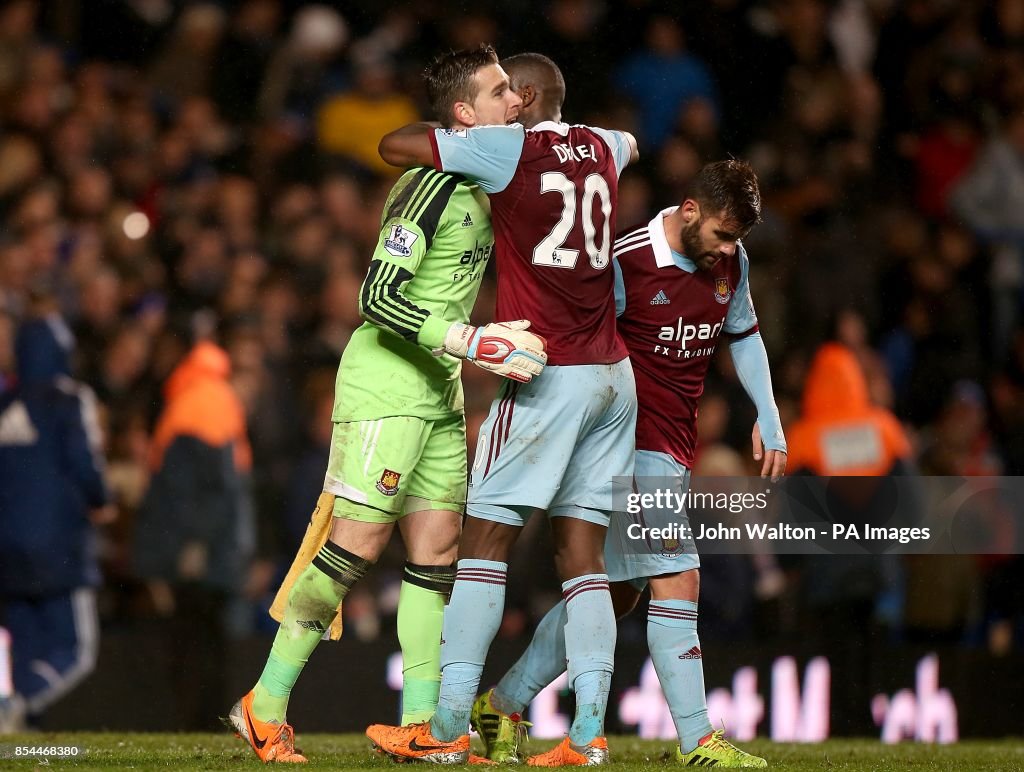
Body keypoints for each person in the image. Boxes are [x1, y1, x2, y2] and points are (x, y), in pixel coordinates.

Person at [227, 45, 545, 764]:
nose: (514, 102)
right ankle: (264, 705)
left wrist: (477, 340)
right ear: (464, 114)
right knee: (355, 550)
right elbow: (376, 295)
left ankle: (425, 727)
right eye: (500, 91)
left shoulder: (485, 187)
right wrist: (467, 336)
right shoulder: (431, 185)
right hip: (386, 387)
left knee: (436, 556)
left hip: (435, 387)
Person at [368, 53, 639, 766]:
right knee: (584, 560)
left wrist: (461, 136)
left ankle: (448, 727)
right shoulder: (610, 146)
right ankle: (585, 739)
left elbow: (392, 145)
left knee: (484, 543)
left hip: (548, 374)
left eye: (505, 93)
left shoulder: (509, 148)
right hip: (615, 379)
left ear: (520, 98)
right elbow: (629, 144)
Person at [469, 160, 784, 768]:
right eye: (721, 234)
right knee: (677, 577)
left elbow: (742, 335)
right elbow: (578, 341)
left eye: (737, 239)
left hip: (672, 441)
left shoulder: (732, 262)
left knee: (614, 595)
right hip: (623, 440)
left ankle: (503, 703)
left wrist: (767, 414)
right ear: (689, 210)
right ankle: (697, 741)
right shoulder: (625, 259)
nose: (728, 250)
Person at [134, 337, 254, 731]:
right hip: (217, 548)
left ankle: (199, 723)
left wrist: (192, 543)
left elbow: (203, 488)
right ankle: (207, 721)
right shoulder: (214, 397)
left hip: (202, 551)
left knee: (196, 642)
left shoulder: (196, 401)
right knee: (208, 640)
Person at [0, 309, 112, 732]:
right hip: (58, 547)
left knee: (25, 649)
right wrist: (102, 498)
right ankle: (16, 703)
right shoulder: (68, 399)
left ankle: (22, 726)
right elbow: (86, 464)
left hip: (7, 551)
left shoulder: (6, 404)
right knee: (73, 651)